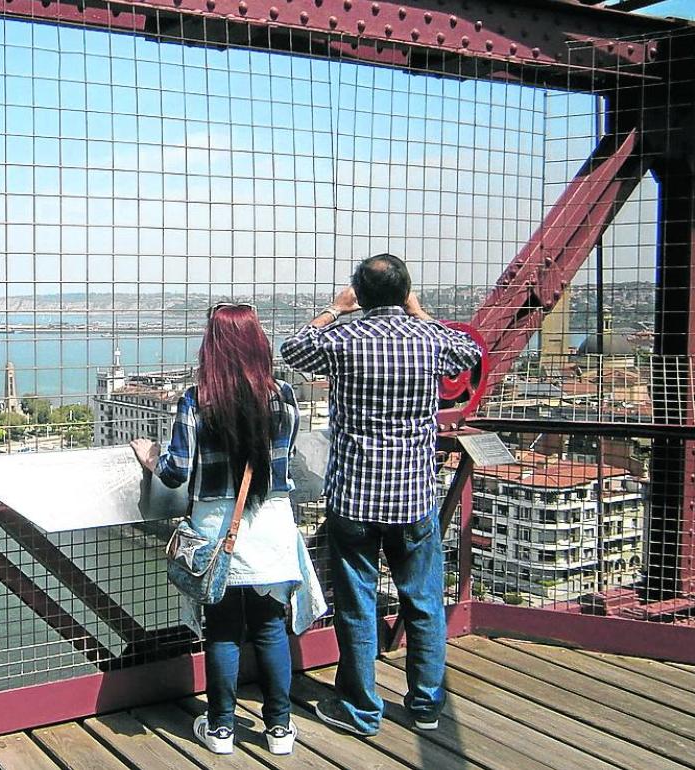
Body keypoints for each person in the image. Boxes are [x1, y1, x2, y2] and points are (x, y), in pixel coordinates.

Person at [279, 253, 482, 737]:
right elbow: (467, 351)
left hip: (355, 495)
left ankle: (360, 708)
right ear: (405, 291)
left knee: (356, 604)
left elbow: (293, 348)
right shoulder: (430, 339)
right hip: (414, 495)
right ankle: (427, 705)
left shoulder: (344, 339)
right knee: (425, 601)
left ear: (359, 294)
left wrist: (335, 308)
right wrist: (417, 309)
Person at [131, 302, 325, 757]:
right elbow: (283, 457)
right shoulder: (284, 396)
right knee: (270, 630)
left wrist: (150, 458)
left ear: (211, 347)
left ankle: (220, 730)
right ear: (259, 344)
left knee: (222, 633)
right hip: (274, 527)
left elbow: (176, 472)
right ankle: (279, 729)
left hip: (218, 533)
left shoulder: (197, 400)